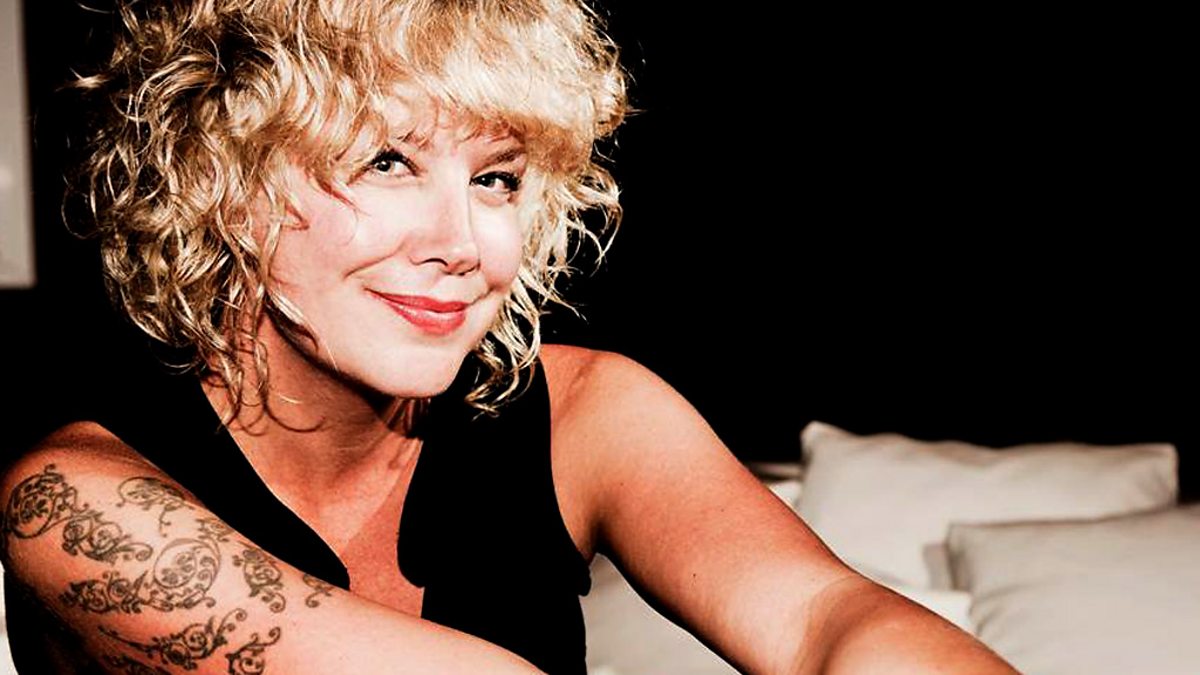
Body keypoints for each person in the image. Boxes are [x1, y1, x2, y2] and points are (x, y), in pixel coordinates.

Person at [0, 0, 1015, 672]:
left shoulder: (586, 412)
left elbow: (825, 620)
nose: (463, 243)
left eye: (496, 179)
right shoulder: (72, 502)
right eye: (386, 162)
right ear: (225, 184)